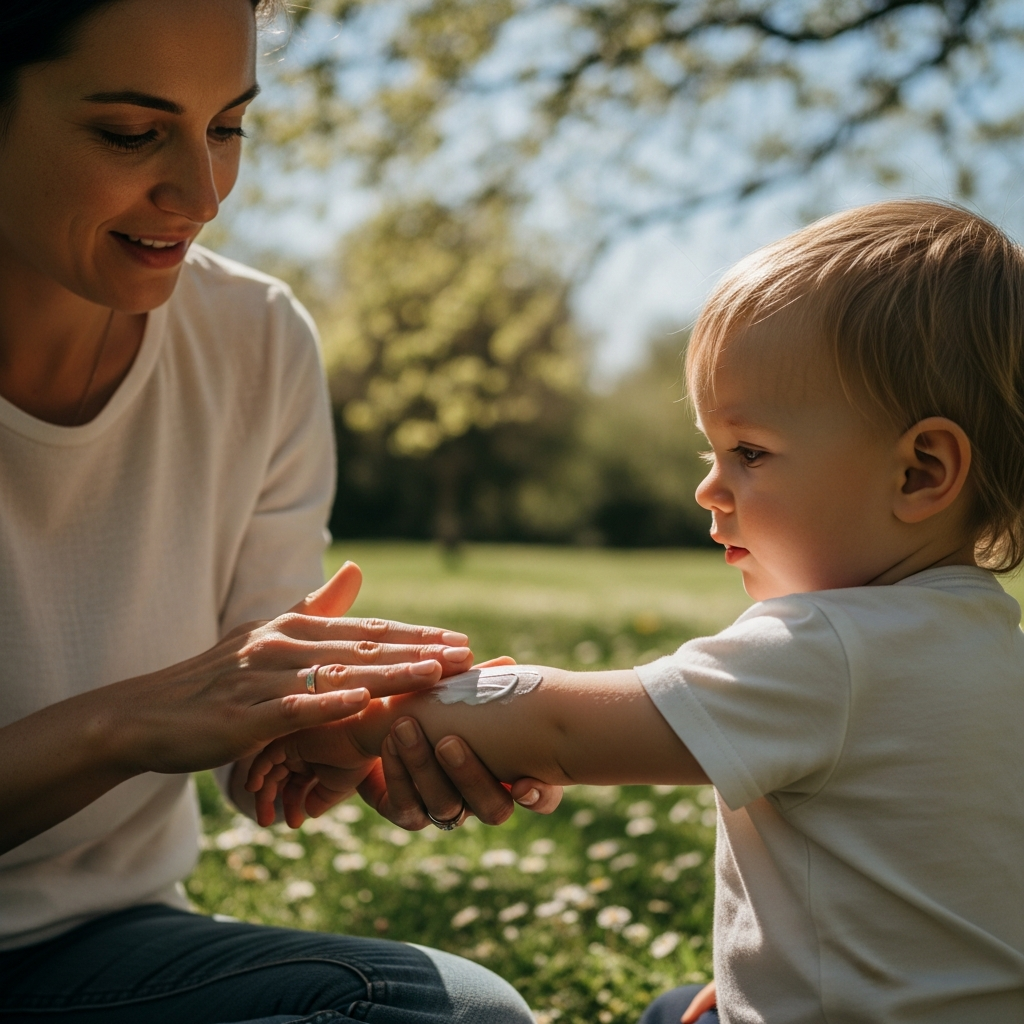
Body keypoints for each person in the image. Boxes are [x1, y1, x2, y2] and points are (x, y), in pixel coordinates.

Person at [247, 200, 1024, 1023]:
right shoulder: (994, 653)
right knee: (673, 1009)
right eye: (710, 452)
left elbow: (557, 726)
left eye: (749, 452)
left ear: (921, 472)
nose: (708, 487)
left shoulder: (828, 645)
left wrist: (355, 725)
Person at [0, 2, 562, 1021]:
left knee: (455, 1014)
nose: (202, 193)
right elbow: (176, 708)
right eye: (132, 133)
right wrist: (120, 726)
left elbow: (246, 708)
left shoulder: (255, 339)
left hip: (92, 953)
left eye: (227, 127)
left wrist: (340, 730)